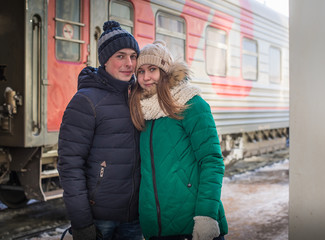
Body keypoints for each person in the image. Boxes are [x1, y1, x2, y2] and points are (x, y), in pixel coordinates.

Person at [129, 40, 228, 240]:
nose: (146, 77)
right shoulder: (141, 109)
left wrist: (206, 216)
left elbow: (212, 161)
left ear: (165, 71)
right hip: (156, 227)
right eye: (140, 71)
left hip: (192, 222)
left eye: (152, 69)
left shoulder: (191, 103)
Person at [57, 21, 143, 240]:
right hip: (100, 217)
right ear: (105, 60)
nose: (129, 63)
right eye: (120, 56)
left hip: (135, 217)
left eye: (133, 56)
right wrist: (82, 222)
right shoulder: (86, 101)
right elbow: (70, 164)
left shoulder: (139, 97)